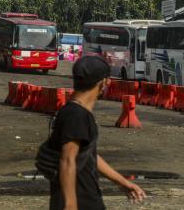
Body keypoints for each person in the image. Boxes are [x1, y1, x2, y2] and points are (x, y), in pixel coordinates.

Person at [48, 56, 146, 209]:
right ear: (103, 83)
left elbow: (90, 155)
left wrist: (122, 182)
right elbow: (67, 160)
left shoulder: (72, 111)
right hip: (80, 202)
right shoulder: (77, 116)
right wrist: (70, 204)